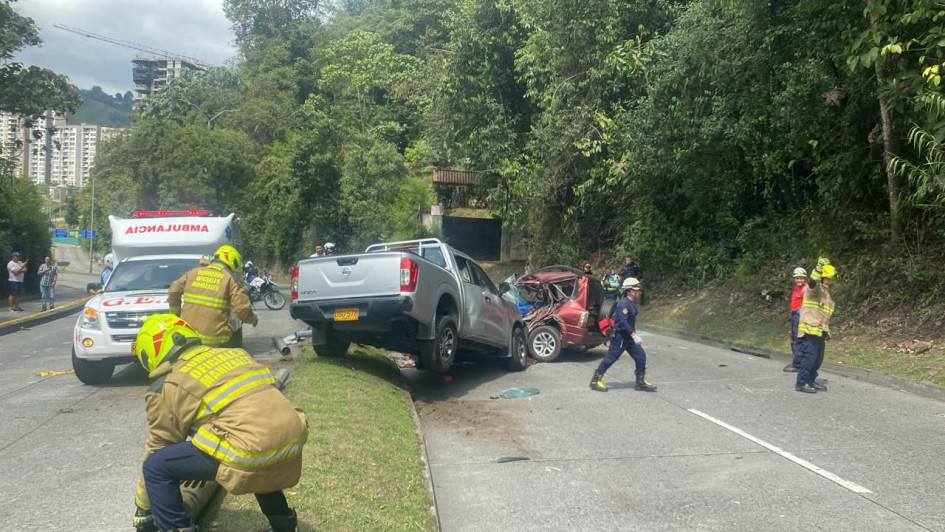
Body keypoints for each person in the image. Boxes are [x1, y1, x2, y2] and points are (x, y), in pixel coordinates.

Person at [130, 314, 307, 532]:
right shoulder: (234, 353)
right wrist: (195, 461)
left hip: (252, 446)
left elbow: (160, 446)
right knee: (257, 454)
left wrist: (143, 507)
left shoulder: (166, 383)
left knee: (155, 466)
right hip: (293, 434)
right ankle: (285, 526)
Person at [168, 245, 258, 347]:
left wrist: (175, 315)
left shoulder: (193, 273)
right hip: (215, 341)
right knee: (232, 333)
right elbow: (241, 309)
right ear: (233, 262)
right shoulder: (230, 279)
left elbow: (174, 290)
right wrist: (253, 319)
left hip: (189, 337)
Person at [590, 277, 657, 392]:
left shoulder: (631, 303)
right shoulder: (624, 304)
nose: (639, 292)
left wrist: (632, 335)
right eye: (637, 290)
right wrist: (634, 335)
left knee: (641, 356)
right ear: (631, 291)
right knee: (610, 358)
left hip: (629, 338)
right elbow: (623, 322)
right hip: (620, 338)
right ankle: (595, 380)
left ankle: (640, 382)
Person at [794, 258, 836, 394]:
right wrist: (818, 268)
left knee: (818, 358)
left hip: (820, 330)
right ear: (823, 278)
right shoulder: (814, 289)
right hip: (809, 329)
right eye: (828, 278)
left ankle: (810, 380)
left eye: (831, 278)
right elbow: (812, 282)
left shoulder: (826, 292)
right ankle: (801, 383)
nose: (830, 280)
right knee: (809, 357)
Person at [783, 267, 807, 373]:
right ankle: (797, 361)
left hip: (800, 317)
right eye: (797, 278)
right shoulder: (797, 289)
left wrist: (801, 313)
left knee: (798, 340)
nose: (799, 280)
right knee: (793, 338)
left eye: (801, 278)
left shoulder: (806, 289)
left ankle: (798, 364)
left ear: (805, 278)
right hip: (794, 316)